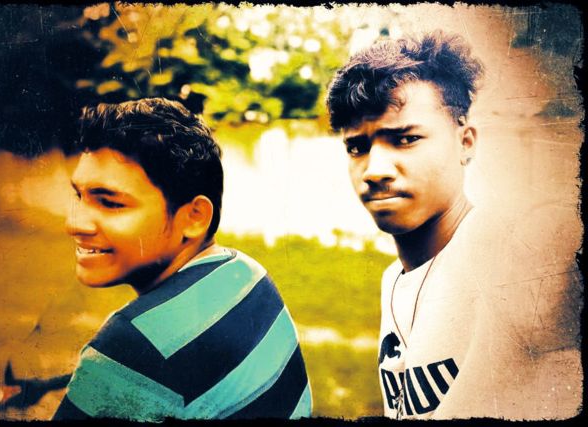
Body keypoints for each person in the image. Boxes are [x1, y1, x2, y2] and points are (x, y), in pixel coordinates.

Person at [326, 30, 581, 420]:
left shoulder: (519, 260)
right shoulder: (394, 279)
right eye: (357, 147)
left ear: (466, 143)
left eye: (406, 139)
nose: (375, 170)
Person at [53, 98, 312, 421]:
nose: (74, 224)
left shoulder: (130, 349)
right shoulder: (246, 274)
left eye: (110, 203)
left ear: (194, 217)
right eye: (79, 196)